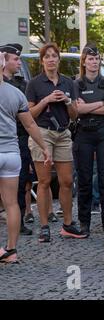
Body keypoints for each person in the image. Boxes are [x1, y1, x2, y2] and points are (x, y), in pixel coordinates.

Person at [25, 43, 87, 242]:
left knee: (67, 181)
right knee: (43, 181)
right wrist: (47, 100)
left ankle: (68, 224)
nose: (51, 59)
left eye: (54, 56)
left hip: (63, 133)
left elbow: (75, 114)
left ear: (58, 60)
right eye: (47, 56)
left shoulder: (69, 83)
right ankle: (44, 227)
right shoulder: (34, 84)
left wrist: (68, 102)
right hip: (42, 133)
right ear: (42, 61)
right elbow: (28, 115)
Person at [0, 51, 51, 263]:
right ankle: (11, 251)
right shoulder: (15, 93)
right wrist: (45, 148)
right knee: (12, 203)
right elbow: (30, 124)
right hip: (11, 153)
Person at [73, 45, 104, 237]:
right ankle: (84, 223)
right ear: (84, 62)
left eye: (97, 59)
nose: (94, 62)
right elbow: (76, 111)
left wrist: (88, 106)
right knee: (84, 179)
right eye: (90, 59)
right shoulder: (77, 84)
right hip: (83, 132)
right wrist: (100, 103)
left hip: (102, 132)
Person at [0, 43, 33, 236]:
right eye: (15, 59)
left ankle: (19, 222)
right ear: (4, 62)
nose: (19, 63)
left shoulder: (22, 84)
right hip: (12, 142)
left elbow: (29, 123)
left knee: (21, 184)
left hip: (18, 140)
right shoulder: (10, 87)